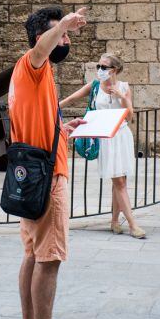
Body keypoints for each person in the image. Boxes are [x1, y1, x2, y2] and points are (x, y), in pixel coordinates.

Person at [12, 6, 90, 319]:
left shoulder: (35, 74)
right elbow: (42, 47)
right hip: (47, 177)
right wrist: (65, 22)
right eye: (63, 35)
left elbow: (35, 121)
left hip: (32, 174)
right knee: (49, 258)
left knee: (33, 255)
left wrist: (62, 129)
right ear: (43, 37)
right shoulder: (32, 62)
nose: (67, 40)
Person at [60, 52, 145, 239]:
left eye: (103, 67)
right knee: (118, 181)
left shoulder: (124, 87)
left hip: (121, 136)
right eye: (98, 66)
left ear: (114, 70)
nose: (99, 70)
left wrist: (122, 97)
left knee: (120, 180)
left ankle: (114, 221)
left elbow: (130, 116)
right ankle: (133, 225)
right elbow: (72, 98)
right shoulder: (95, 85)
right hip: (105, 138)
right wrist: (54, 107)